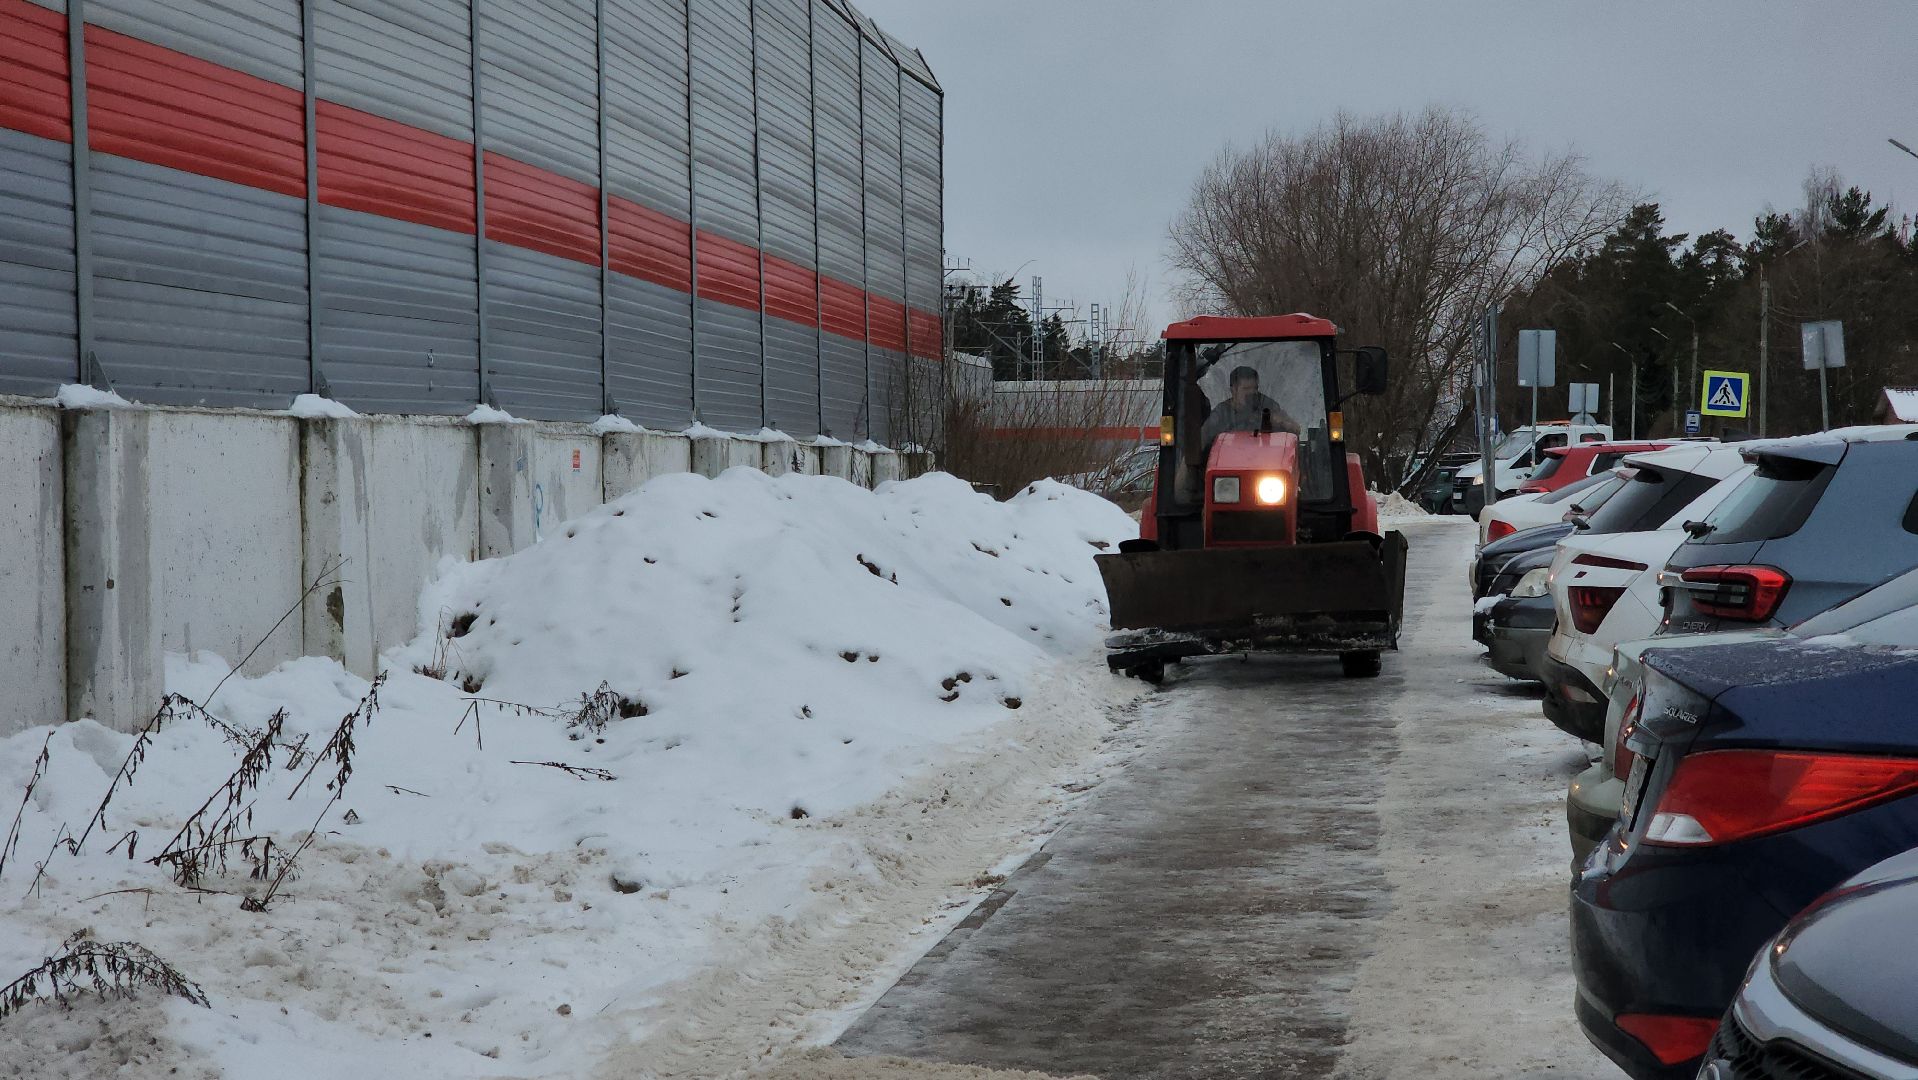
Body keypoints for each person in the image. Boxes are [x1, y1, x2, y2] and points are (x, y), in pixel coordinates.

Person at [1200, 366, 1300, 449]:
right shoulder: (1222, 412)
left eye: (1255, 388)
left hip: (1265, 460)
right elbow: (1200, 441)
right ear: (1233, 390)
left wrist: (1281, 422)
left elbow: (1296, 430)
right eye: (1246, 389)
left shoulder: (1267, 405)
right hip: (1230, 460)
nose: (1252, 393)